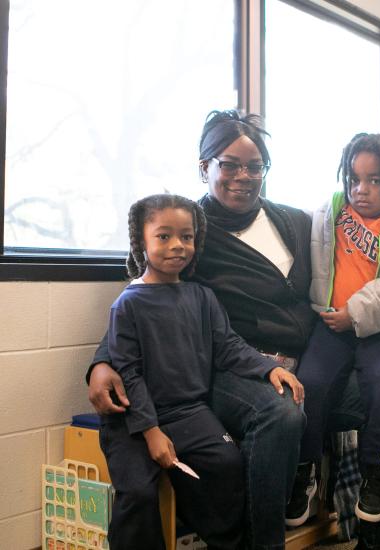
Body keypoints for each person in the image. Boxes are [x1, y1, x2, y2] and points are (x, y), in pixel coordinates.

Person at [88, 110, 380, 550]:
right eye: (229, 164)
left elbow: (362, 263)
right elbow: (144, 297)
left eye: (254, 166)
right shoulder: (190, 232)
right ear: (204, 167)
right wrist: (102, 359)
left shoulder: (298, 223)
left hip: (312, 359)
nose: (242, 176)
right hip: (236, 368)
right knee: (281, 412)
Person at [101, 193, 301, 550]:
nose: (178, 245)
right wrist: (151, 433)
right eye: (164, 236)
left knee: (227, 466)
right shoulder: (127, 305)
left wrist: (267, 369)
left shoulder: (201, 297)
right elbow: (129, 375)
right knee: (139, 493)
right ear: (141, 242)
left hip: (190, 411)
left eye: (187, 237)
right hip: (136, 420)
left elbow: (228, 345)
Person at [285, 132, 380, 531]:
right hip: (332, 326)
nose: (360, 190)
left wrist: (355, 313)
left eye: (374, 181)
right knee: (309, 383)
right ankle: (304, 471)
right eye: (354, 179)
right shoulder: (331, 212)